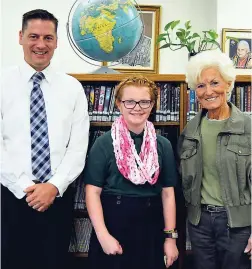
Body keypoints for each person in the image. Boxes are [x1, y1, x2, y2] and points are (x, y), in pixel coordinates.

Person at [1, 9, 89, 269]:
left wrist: (53, 186)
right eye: (34, 36)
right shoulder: (1, 83)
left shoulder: (72, 88)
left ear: (56, 41)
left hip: (57, 198)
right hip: (11, 197)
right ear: (20, 37)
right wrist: (25, 187)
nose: (41, 45)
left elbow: (77, 147)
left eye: (48, 38)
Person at [84, 75, 179, 269]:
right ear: (119, 104)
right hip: (113, 224)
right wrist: (103, 236)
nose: (137, 107)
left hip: (151, 225)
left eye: (144, 101)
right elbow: (92, 192)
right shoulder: (103, 144)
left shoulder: (163, 145)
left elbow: (168, 194)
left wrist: (170, 239)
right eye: (130, 102)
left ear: (152, 105)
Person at [178, 50, 251, 269]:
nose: (208, 91)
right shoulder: (190, 131)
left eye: (215, 83)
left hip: (238, 224)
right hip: (200, 223)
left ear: (229, 84)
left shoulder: (248, 128)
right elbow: (183, 179)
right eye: (201, 85)